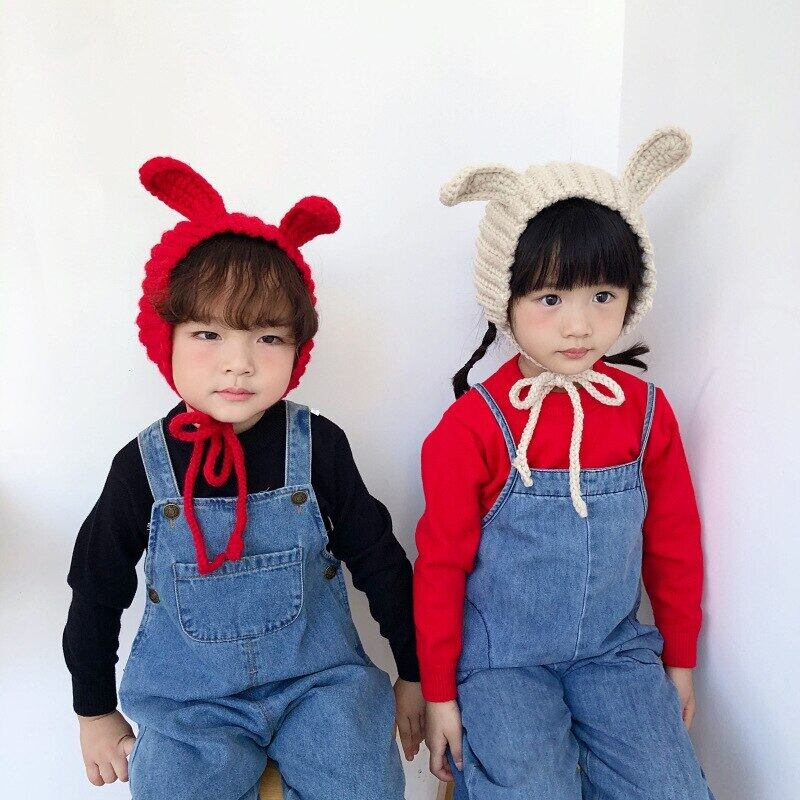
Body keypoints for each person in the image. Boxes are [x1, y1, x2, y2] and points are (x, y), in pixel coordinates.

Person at [63, 157, 424, 799]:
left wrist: (414, 672)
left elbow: (381, 562)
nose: (238, 364)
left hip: (321, 687)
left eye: (268, 338)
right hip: (188, 702)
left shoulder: (318, 447)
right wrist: (94, 709)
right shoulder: (142, 467)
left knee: (363, 781)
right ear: (166, 339)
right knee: (169, 788)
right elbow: (97, 584)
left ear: (297, 347)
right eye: (208, 333)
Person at [414, 127, 715, 799]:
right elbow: (440, 566)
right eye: (550, 299)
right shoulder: (472, 428)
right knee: (529, 787)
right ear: (506, 299)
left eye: (602, 297)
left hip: (615, 652)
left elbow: (673, 540)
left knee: (671, 788)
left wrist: (680, 660)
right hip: (502, 664)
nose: (579, 326)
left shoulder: (646, 412)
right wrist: (440, 695)